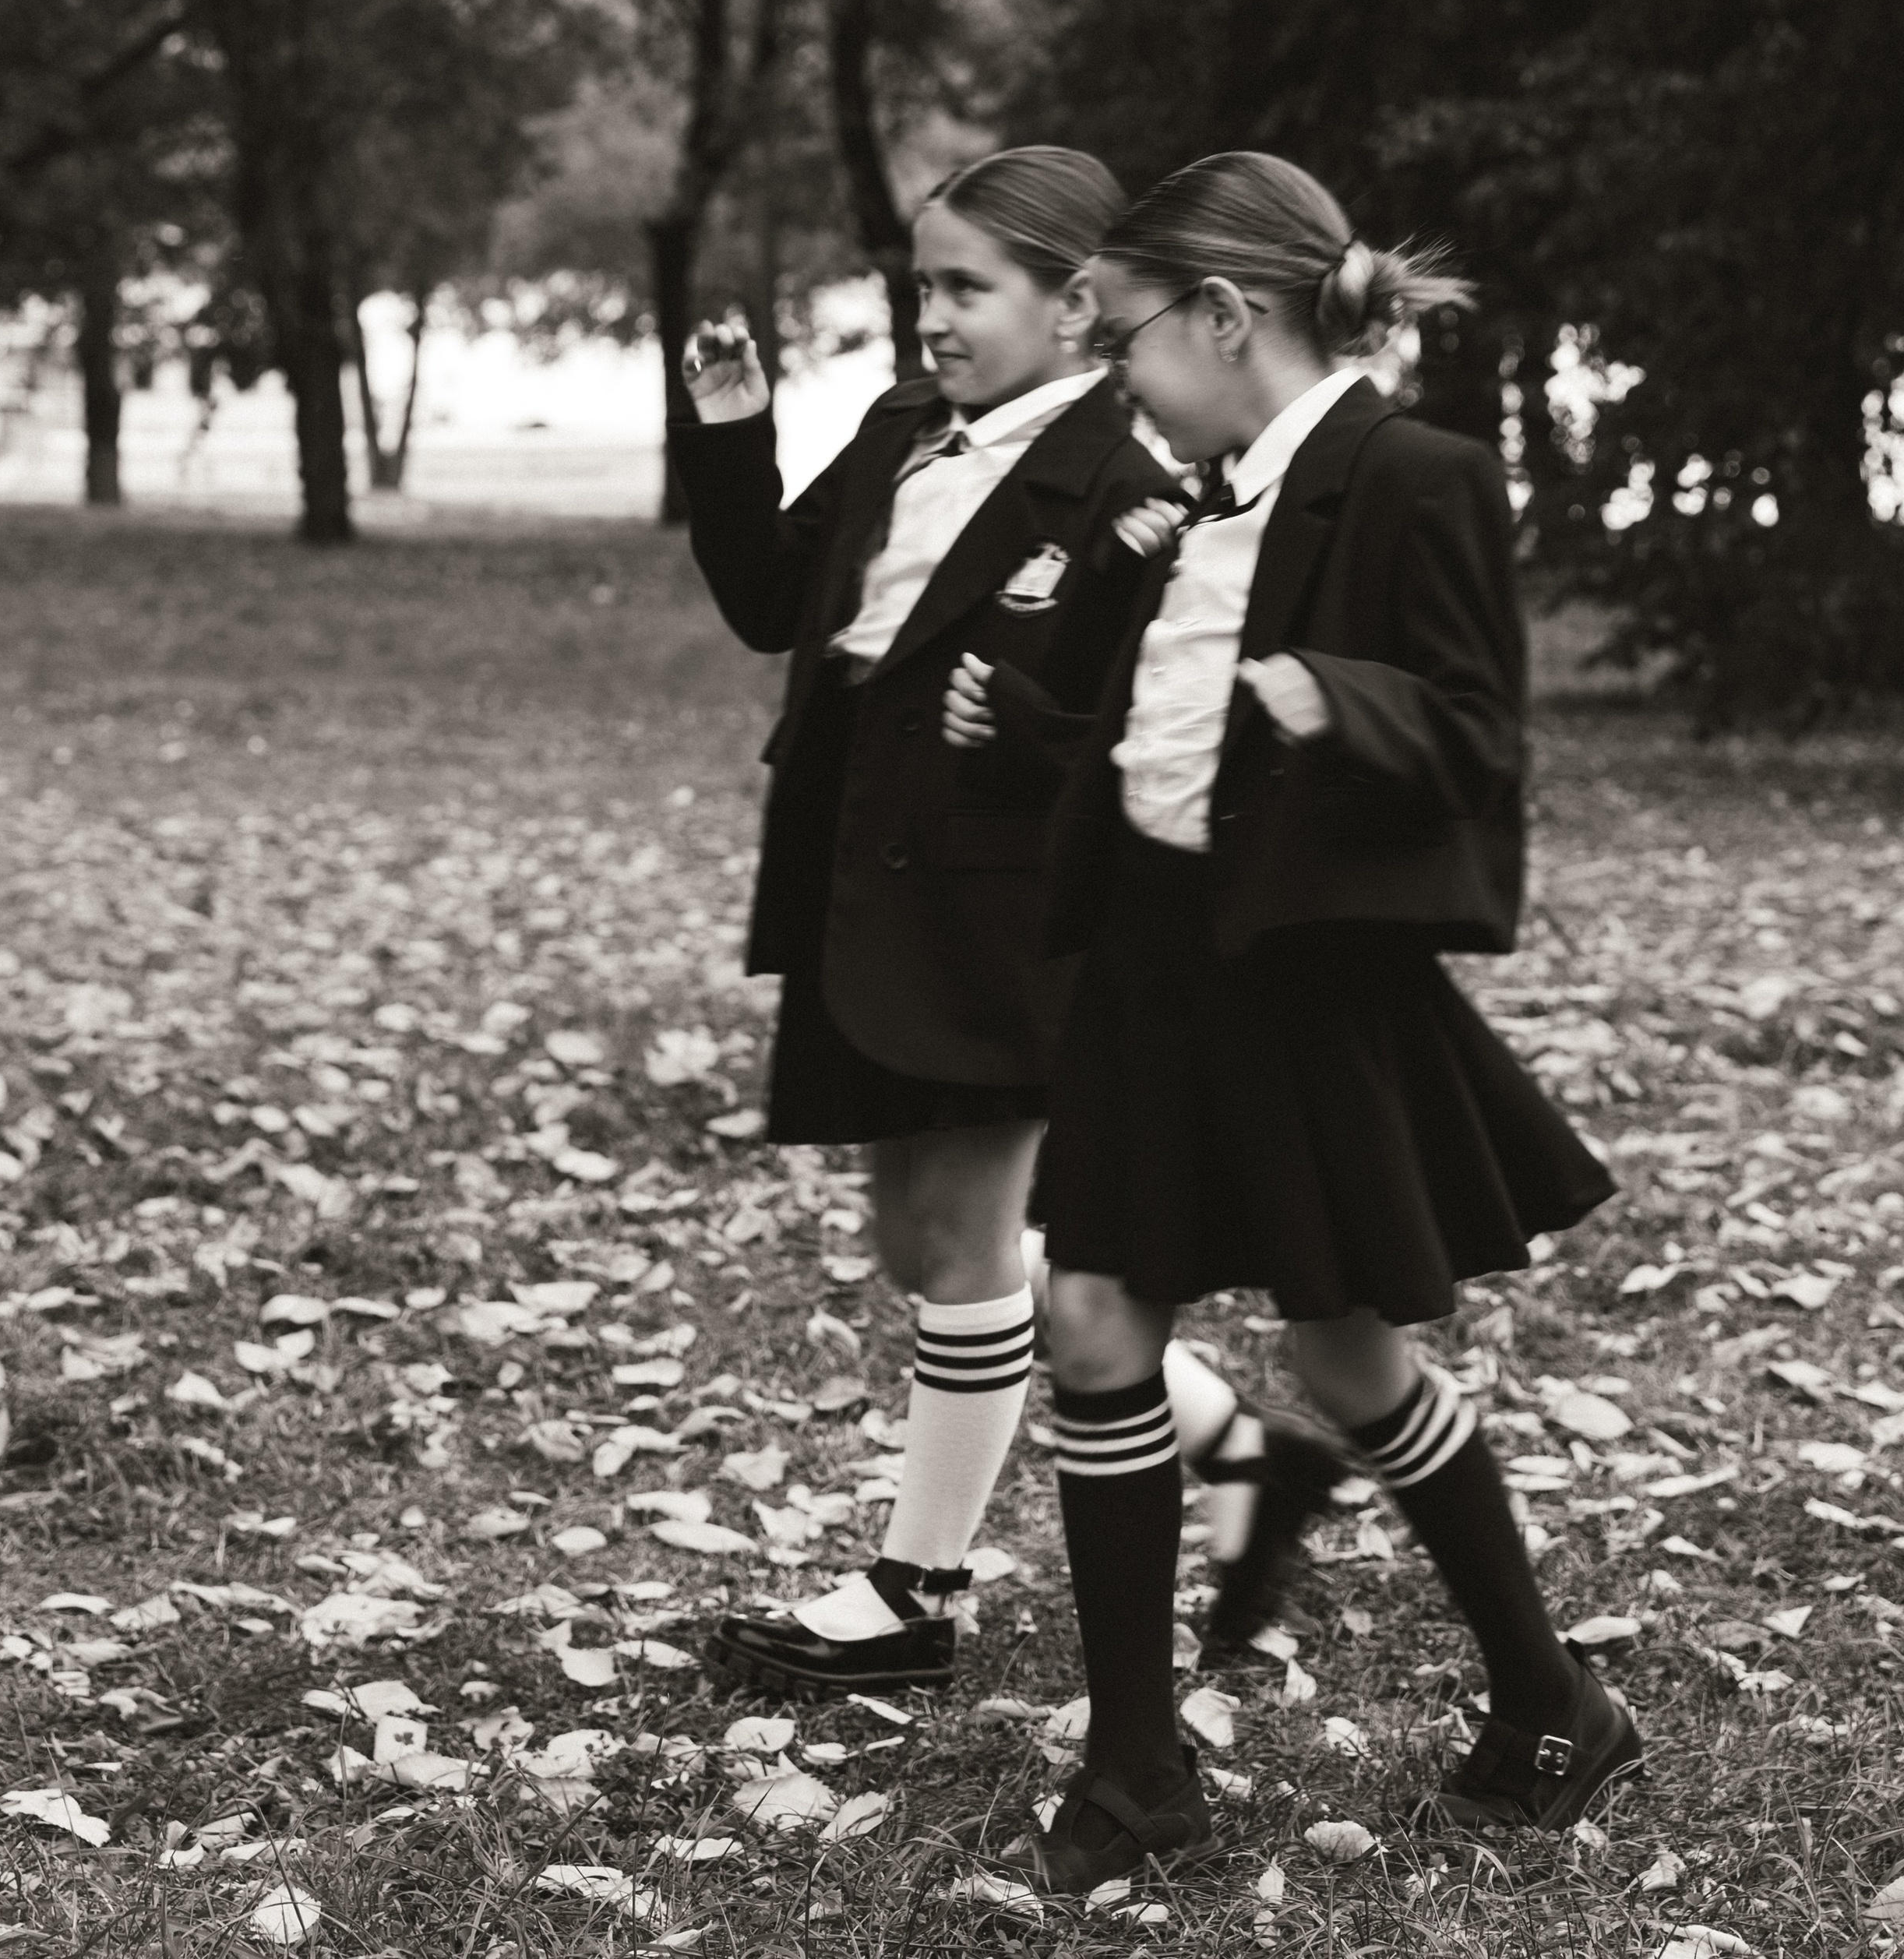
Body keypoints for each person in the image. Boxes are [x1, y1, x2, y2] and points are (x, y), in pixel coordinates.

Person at [943, 152, 1638, 1887]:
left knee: (1345, 1358)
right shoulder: (1197, 500)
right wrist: (1038, 729)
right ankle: (1132, 1775)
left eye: (1121, 340)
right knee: (1093, 1322)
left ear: (1221, 317)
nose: (1110, 375)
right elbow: (1157, 744)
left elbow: (1478, 738)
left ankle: (1549, 1700)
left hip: (1302, 986)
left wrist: (1338, 694)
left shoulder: (1412, 481)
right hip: (1155, 974)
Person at [671, 148, 1316, 1700]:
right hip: (851, 884)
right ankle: (1236, 1444)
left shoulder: (1125, 476)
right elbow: (772, 601)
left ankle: (914, 1588)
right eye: (921, 286)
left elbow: (1145, 719)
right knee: (921, 1236)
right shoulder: (902, 429)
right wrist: (733, 434)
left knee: (959, 1235)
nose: (933, 318)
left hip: (1000, 913)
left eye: (968, 288)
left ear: (1076, 300)